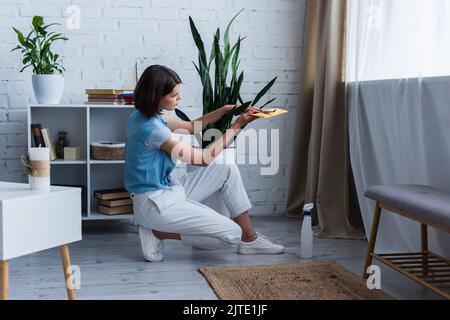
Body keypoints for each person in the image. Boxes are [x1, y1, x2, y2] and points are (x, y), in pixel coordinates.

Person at [125, 65, 285, 262]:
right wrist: (237, 125)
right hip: (154, 203)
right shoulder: (152, 129)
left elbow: (193, 127)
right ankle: (157, 232)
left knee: (226, 167)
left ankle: (250, 239)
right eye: (174, 95)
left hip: (168, 190)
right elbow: (202, 160)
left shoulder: (145, 115)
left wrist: (226, 110)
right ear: (156, 96)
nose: (179, 99)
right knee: (232, 236)